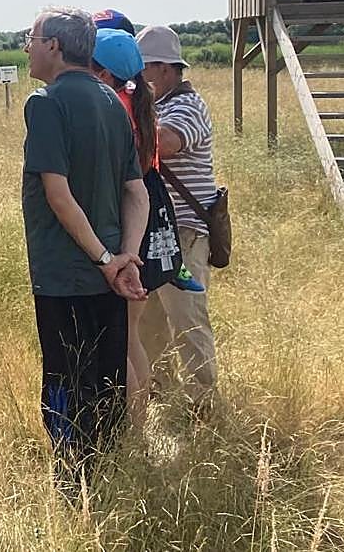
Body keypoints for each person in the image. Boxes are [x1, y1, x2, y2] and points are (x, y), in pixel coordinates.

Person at [21, 7, 148, 487]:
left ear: (54, 45)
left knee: (65, 382)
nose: (27, 46)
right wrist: (125, 258)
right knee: (107, 382)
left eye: (31, 37)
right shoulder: (113, 100)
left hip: (66, 275)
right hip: (111, 276)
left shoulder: (46, 103)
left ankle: (73, 485)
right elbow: (135, 190)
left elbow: (58, 192)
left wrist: (103, 259)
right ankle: (115, 478)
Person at [89, 28, 201, 432]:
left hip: (139, 229)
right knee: (135, 332)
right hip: (155, 225)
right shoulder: (141, 104)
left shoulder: (119, 109)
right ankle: (144, 419)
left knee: (126, 336)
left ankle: (139, 428)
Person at [136, 25, 220, 410]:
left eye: (144, 70)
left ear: (165, 69)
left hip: (184, 232)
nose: (138, 79)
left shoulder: (186, 106)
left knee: (187, 320)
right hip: (160, 234)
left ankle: (203, 404)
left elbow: (164, 144)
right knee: (151, 322)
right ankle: (161, 396)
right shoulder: (160, 103)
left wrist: (124, 115)